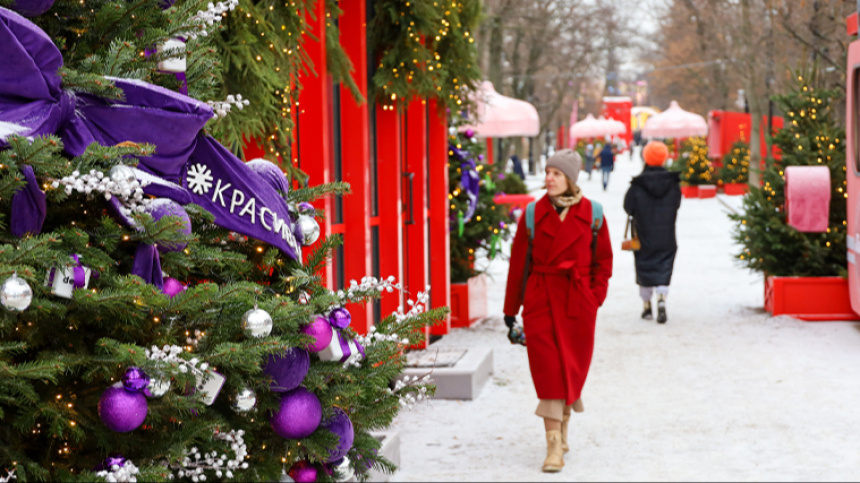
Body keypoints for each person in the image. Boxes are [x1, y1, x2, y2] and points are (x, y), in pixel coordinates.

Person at [503, 149, 613, 473]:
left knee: (572, 369)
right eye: (548, 172)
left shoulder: (593, 214)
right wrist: (511, 309)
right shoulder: (532, 214)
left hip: (578, 302)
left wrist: (594, 297)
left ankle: (563, 426)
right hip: (541, 300)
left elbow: (603, 263)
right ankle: (553, 446)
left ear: (570, 179)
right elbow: (518, 266)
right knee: (548, 371)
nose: (549, 178)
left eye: (557, 174)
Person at [622, 141, 681, 323]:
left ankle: (646, 305)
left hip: (643, 234)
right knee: (664, 266)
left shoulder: (638, 184)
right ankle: (661, 298)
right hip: (666, 235)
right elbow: (676, 204)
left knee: (644, 267)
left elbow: (628, 207)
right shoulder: (673, 183)